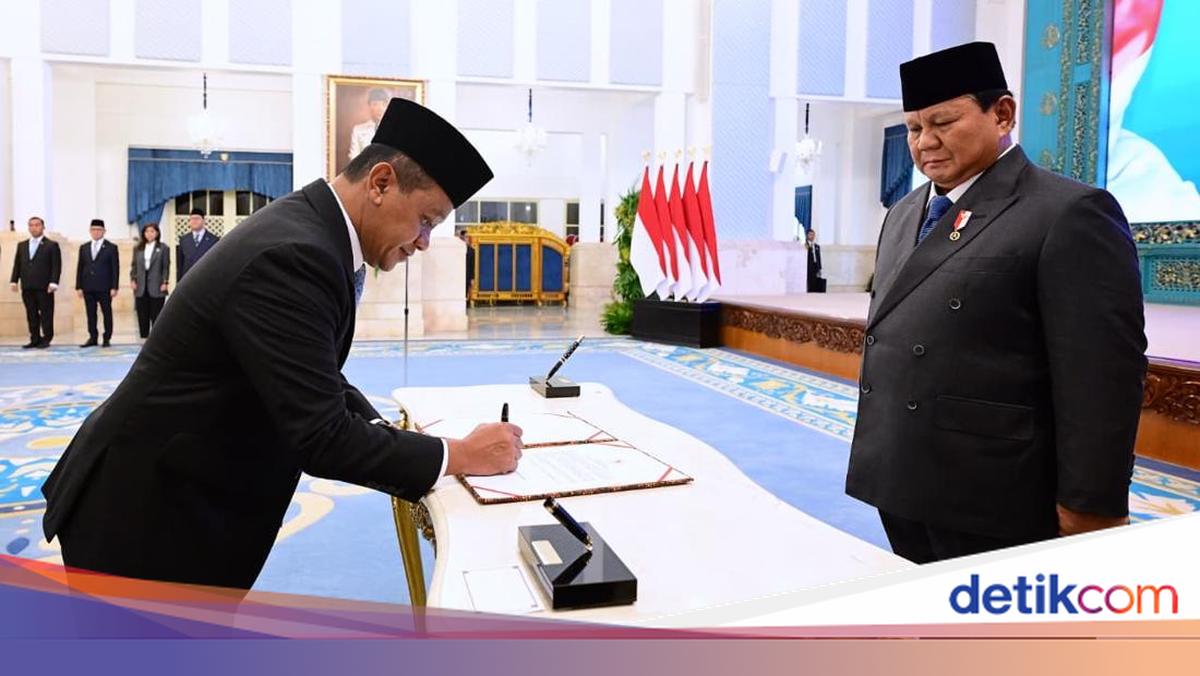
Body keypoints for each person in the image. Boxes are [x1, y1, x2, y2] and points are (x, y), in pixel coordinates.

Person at [42, 98, 523, 590]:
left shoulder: (312, 231)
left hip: (170, 498)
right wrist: (459, 455)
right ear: (380, 183)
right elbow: (323, 438)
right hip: (146, 518)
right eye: (426, 220)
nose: (423, 242)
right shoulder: (296, 255)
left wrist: (390, 434)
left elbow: (313, 374)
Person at [844, 41, 1147, 564]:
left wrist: (1091, 503)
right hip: (899, 477)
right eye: (914, 128)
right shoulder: (904, 213)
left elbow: (1101, 378)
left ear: (1002, 113)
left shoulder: (1068, 213)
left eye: (943, 122)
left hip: (992, 492)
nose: (925, 142)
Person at [9, 216, 62, 349]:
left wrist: (54, 282)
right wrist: (14, 280)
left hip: (45, 286)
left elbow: (56, 265)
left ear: (43, 227)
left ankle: (47, 338)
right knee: (31, 313)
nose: (34, 228)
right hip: (27, 285)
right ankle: (35, 338)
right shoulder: (22, 245)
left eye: (37, 225)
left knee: (46, 313)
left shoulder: (51, 245)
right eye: (31, 225)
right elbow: (17, 264)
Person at [76, 219, 120, 348]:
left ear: (104, 231)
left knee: (106, 312)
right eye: (93, 230)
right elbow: (80, 267)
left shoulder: (111, 247)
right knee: (90, 313)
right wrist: (79, 286)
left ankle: (107, 337)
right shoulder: (84, 247)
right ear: (90, 231)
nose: (96, 232)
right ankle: (92, 337)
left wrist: (114, 286)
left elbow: (115, 268)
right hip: (88, 286)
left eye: (99, 230)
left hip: (105, 287)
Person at [130, 222, 170, 339]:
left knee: (156, 313)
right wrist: (133, 279)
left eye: (152, 231)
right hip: (141, 284)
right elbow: (134, 266)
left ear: (157, 233)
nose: (149, 234)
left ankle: (156, 338)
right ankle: (143, 338)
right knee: (142, 313)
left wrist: (165, 281)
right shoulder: (138, 248)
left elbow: (165, 267)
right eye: (147, 231)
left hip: (157, 284)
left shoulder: (163, 248)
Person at [176, 208, 219, 282]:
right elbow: (180, 265)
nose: (194, 221)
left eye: (197, 219)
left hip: (206, 280)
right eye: (192, 219)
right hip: (188, 281)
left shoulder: (213, 240)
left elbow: (216, 264)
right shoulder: (184, 240)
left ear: (204, 221)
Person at [348, 88, 390, 161]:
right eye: (375, 104)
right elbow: (354, 157)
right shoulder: (358, 130)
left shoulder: (393, 130)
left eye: (383, 104)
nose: (380, 108)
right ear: (369, 106)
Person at [805, 229, 825, 293]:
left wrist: (819, 268)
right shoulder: (805, 246)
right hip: (808, 267)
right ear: (807, 235)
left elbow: (819, 258)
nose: (812, 236)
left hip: (815, 267)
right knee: (809, 282)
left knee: (815, 282)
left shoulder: (817, 246)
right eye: (810, 235)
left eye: (813, 235)